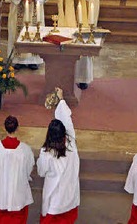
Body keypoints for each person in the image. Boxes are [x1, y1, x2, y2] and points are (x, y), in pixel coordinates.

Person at [37, 89, 80, 223]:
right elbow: (67, 119)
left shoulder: (46, 153)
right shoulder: (71, 142)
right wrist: (61, 100)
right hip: (69, 194)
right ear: (64, 133)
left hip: (54, 198)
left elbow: (41, 172)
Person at [56, 0, 101, 89]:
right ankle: (66, 77)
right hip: (69, 22)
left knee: (83, 49)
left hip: (84, 23)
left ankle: (82, 79)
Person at [4, 0, 53, 70]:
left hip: (35, 8)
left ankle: (33, 60)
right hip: (18, 9)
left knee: (35, 32)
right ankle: (17, 60)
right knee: (17, 31)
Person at [0, 115, 35, 223]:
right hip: (17, 191)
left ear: (4, 128)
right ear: (18, 128)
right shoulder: (25, 150)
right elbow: (28, 170)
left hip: (0, 190)